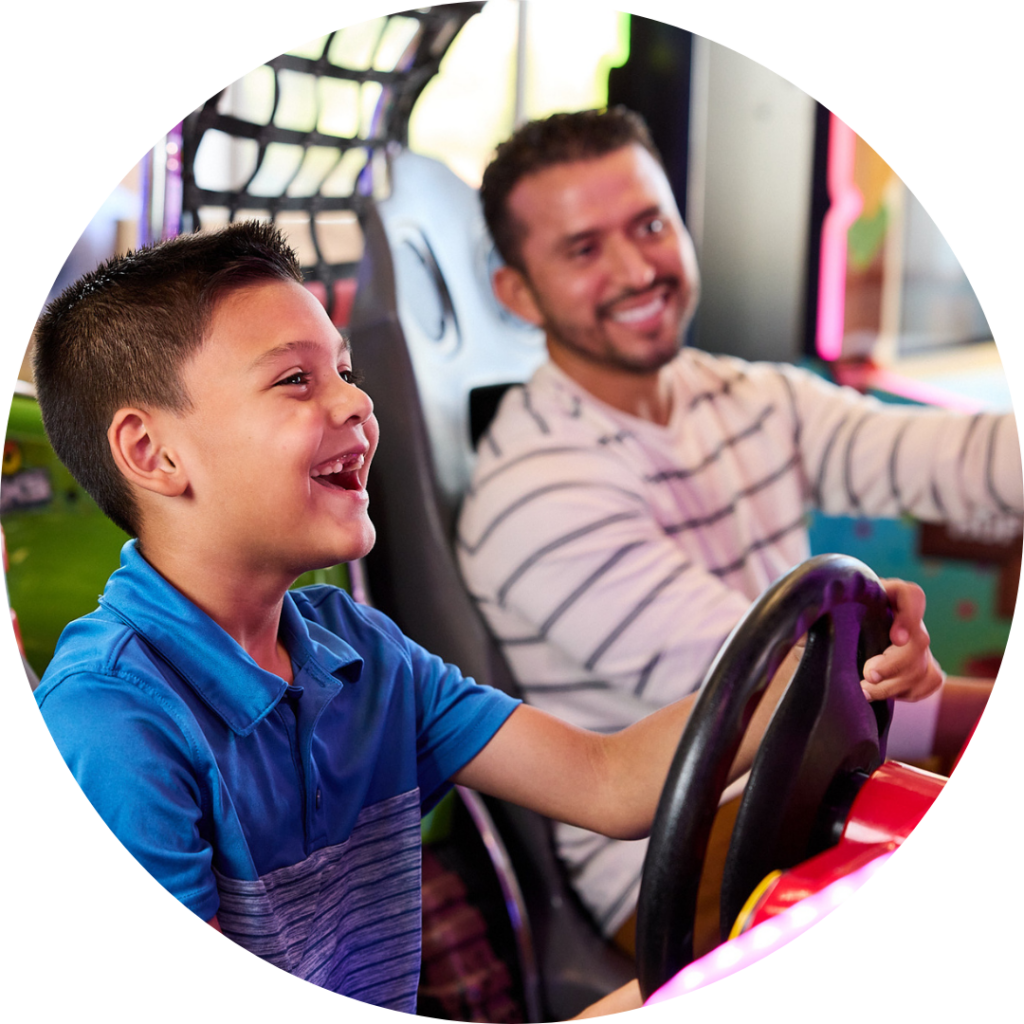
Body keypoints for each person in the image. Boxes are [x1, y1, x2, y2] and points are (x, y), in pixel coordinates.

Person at [29, 221, 940, 1018]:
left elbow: (613, 780)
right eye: (296, 382)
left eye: (345, 370)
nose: (356, 400)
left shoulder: (362, 654)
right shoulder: (114, 719)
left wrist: (835, 662)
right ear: (153, 452)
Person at [457, 107, 1023, 946]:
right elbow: (784, 692)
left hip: (820, 776)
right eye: (583, 250)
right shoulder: (532, 494)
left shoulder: (748, 396)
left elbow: (960, 457)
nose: (636, 268)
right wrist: (939, 701)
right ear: (518, 292)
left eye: (649, 224)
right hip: (682, 858)